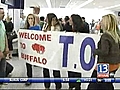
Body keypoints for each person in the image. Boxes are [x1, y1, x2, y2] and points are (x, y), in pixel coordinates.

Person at [87, 14, 120, 90]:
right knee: (106, 83)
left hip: (104, 65)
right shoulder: (117, 35)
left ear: (106, 23)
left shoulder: (105, 36)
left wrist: (95, 51)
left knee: (94, 85)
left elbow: (104, 51)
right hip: (115, 65)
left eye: (102, 21)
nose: (100, 23)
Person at [42, 13, 63, 90]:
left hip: (55, 51)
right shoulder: (45, 25)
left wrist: (53, 26)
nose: (45, 19)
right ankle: (47, 85)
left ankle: (58, 85)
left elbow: (55, 36)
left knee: (56, 70)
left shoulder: (58, 27)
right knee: (45, 70)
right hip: (46, 50)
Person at [68, 14, 84, 90]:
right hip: (69, 52)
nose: (69, 21)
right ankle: (71, 85)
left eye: (70, 19)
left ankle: (78, 85)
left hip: (78, 53)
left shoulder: (83, 28)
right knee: (70, 70)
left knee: (77, 71)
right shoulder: (67, 27)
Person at [24, 14, 41, 86]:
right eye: (29, 18)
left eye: (31, 18)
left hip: (35, 48)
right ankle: (29, 78)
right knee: (28, 64)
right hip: (28, 49)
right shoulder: (25, 28)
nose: (30, 20)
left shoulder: (37, 27)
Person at [0, 7, 9, 84]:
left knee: (3, 67)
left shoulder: (2, 23)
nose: (4, 15)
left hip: (3, 50)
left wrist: (7, 47)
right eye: (2, 13)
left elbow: (4, 35)